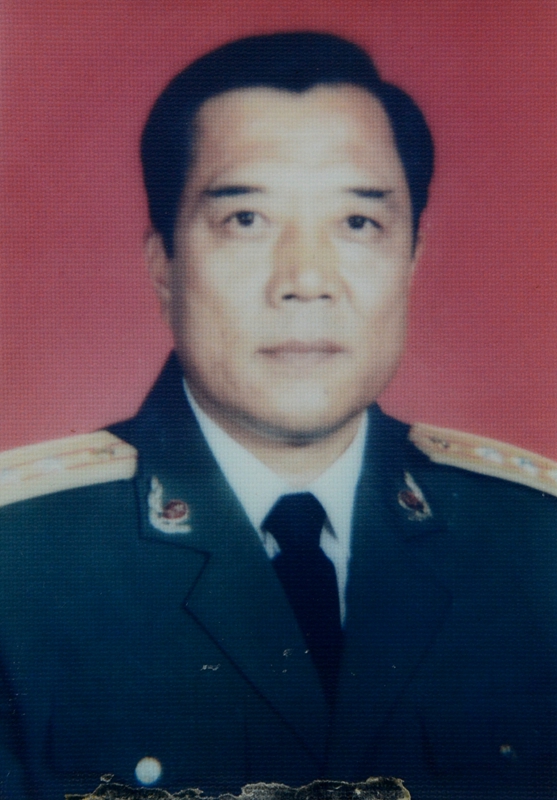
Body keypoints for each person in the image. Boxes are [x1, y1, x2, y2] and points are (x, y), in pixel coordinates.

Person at [0, 32, 555, 800]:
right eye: (246, 220)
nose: (305, 279)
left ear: (410, 262)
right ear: (162, 268)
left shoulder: (532, 547)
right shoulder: (22, 563)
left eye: (357, 223)